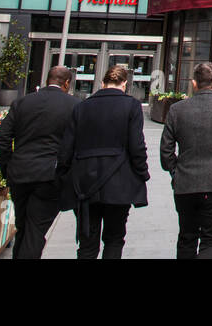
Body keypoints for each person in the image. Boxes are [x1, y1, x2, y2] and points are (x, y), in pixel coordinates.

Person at [58, 63, 149, 259]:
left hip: (85, 182)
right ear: (125, 84)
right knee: (114, 238)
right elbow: (136, 145)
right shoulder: (132, 106)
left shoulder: (82, 107)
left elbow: (66, 148)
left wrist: (63, 174)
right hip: (119, 180)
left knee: (87, 243)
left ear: (102, 83)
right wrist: (142, 171)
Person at [159, 62, 212, 259]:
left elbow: (166, 150)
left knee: (187, 237)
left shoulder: (177, 109)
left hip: (185, 183)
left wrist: (175, 171)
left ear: (194, 83)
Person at [0, 65, 79, 259]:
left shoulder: (23, 102)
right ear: (66, 83)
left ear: (47, 80)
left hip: (20, 174)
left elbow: (2, 139)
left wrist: (8, 168)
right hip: (50, 175)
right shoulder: (73, 105)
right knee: (34, 231)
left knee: (24, 226)